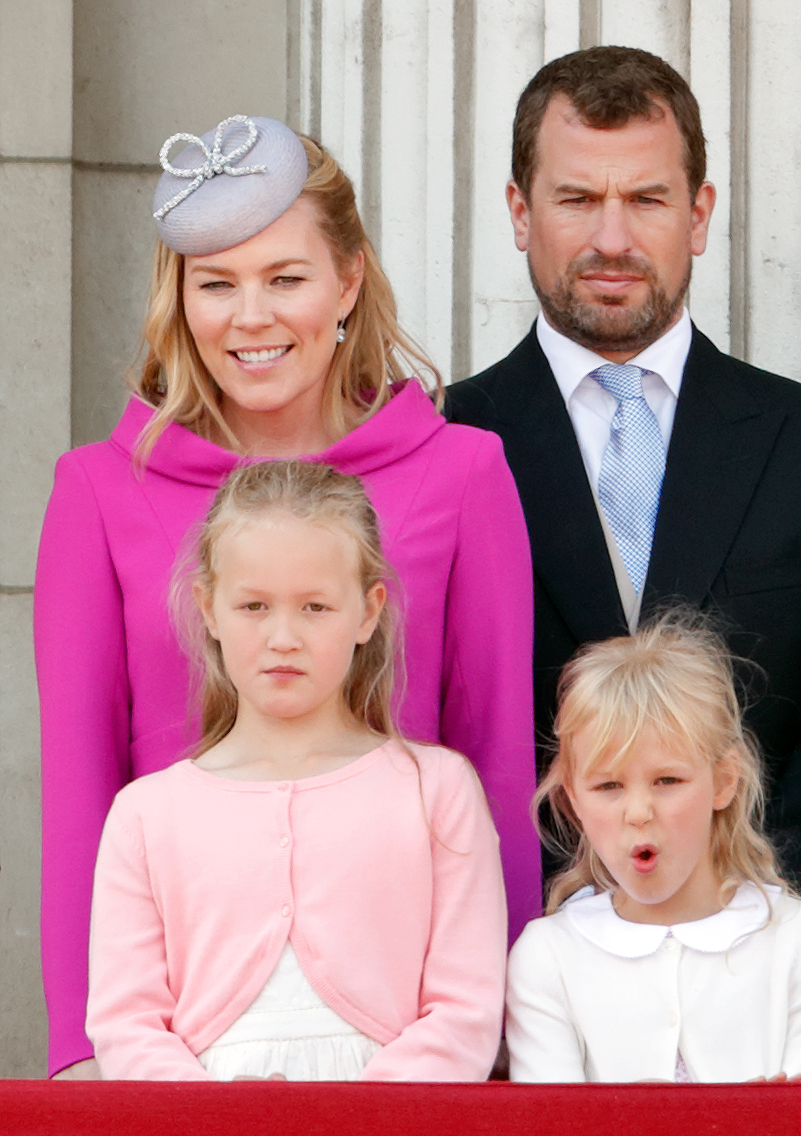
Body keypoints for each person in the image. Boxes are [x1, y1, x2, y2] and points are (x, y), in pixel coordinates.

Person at [35, 114, 539, 1079]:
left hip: (412, 1046)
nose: (251, 317)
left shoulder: (464, 472)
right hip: (176, 1044)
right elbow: (79, 790)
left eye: (286, 278)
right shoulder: (98, 492)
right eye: (216, 284)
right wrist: (79, 1058)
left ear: (347, 280)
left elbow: (498, 769)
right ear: (179, 301)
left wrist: (502, 1046)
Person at [445, 46, 801, 919]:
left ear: (699, 215)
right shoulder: (433, 448)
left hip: (760, 972)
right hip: (506, 971)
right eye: (578, 198)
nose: (613, 239)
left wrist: (733, 926)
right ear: (520, 212)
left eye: (647, 198)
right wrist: (565, 928)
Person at [86, 460, 507, 1081]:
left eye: (315, 606)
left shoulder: (437, 792)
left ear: (368, 612)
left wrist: (352, 1116)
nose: (283, 636)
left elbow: (466, 1012)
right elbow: (127, 1024)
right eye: (254, 605)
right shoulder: (146, 814)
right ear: (208, 608)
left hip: (397, 1121)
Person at [505, 615, 801, 1083]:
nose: (637, 811)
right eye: (608, 785)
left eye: (667, 780)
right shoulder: (546, 958)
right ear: (573, 800)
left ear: (724, 780)